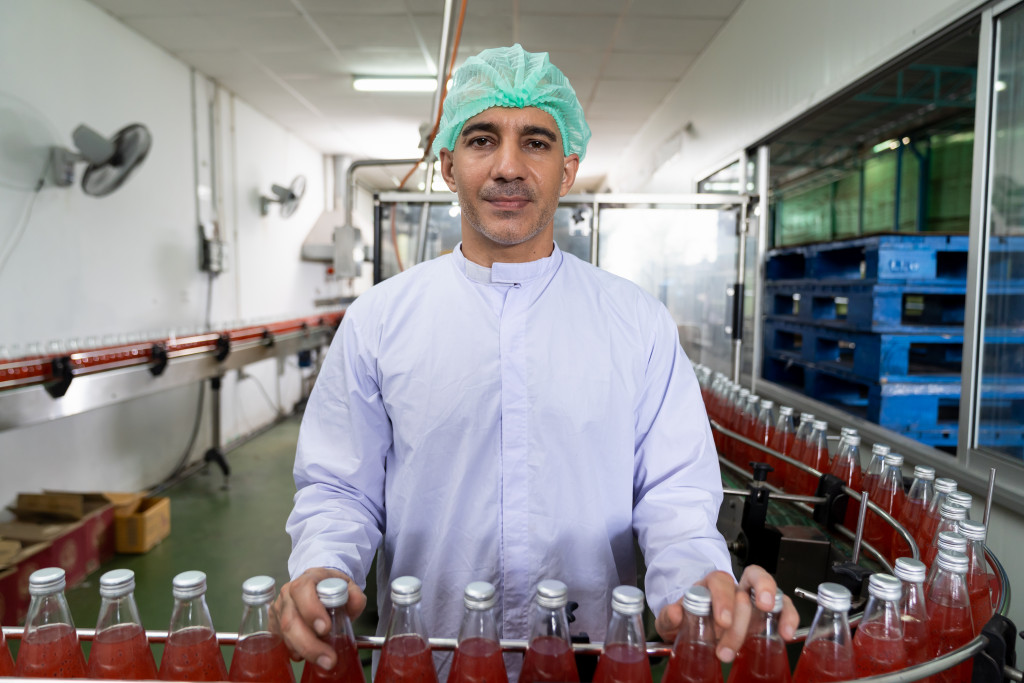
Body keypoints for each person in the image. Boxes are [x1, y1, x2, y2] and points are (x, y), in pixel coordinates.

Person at [271, 44, 798, 676]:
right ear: (447, 164)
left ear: (568, 168)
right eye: (482, 139)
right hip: (428, 654)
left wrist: (699, 580)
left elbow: (674, 495)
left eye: (537, 143)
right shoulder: (380, 321)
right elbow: (340, 487)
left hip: (592, 654)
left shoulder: (635, 323)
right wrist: (324, 564)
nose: (508, 167)